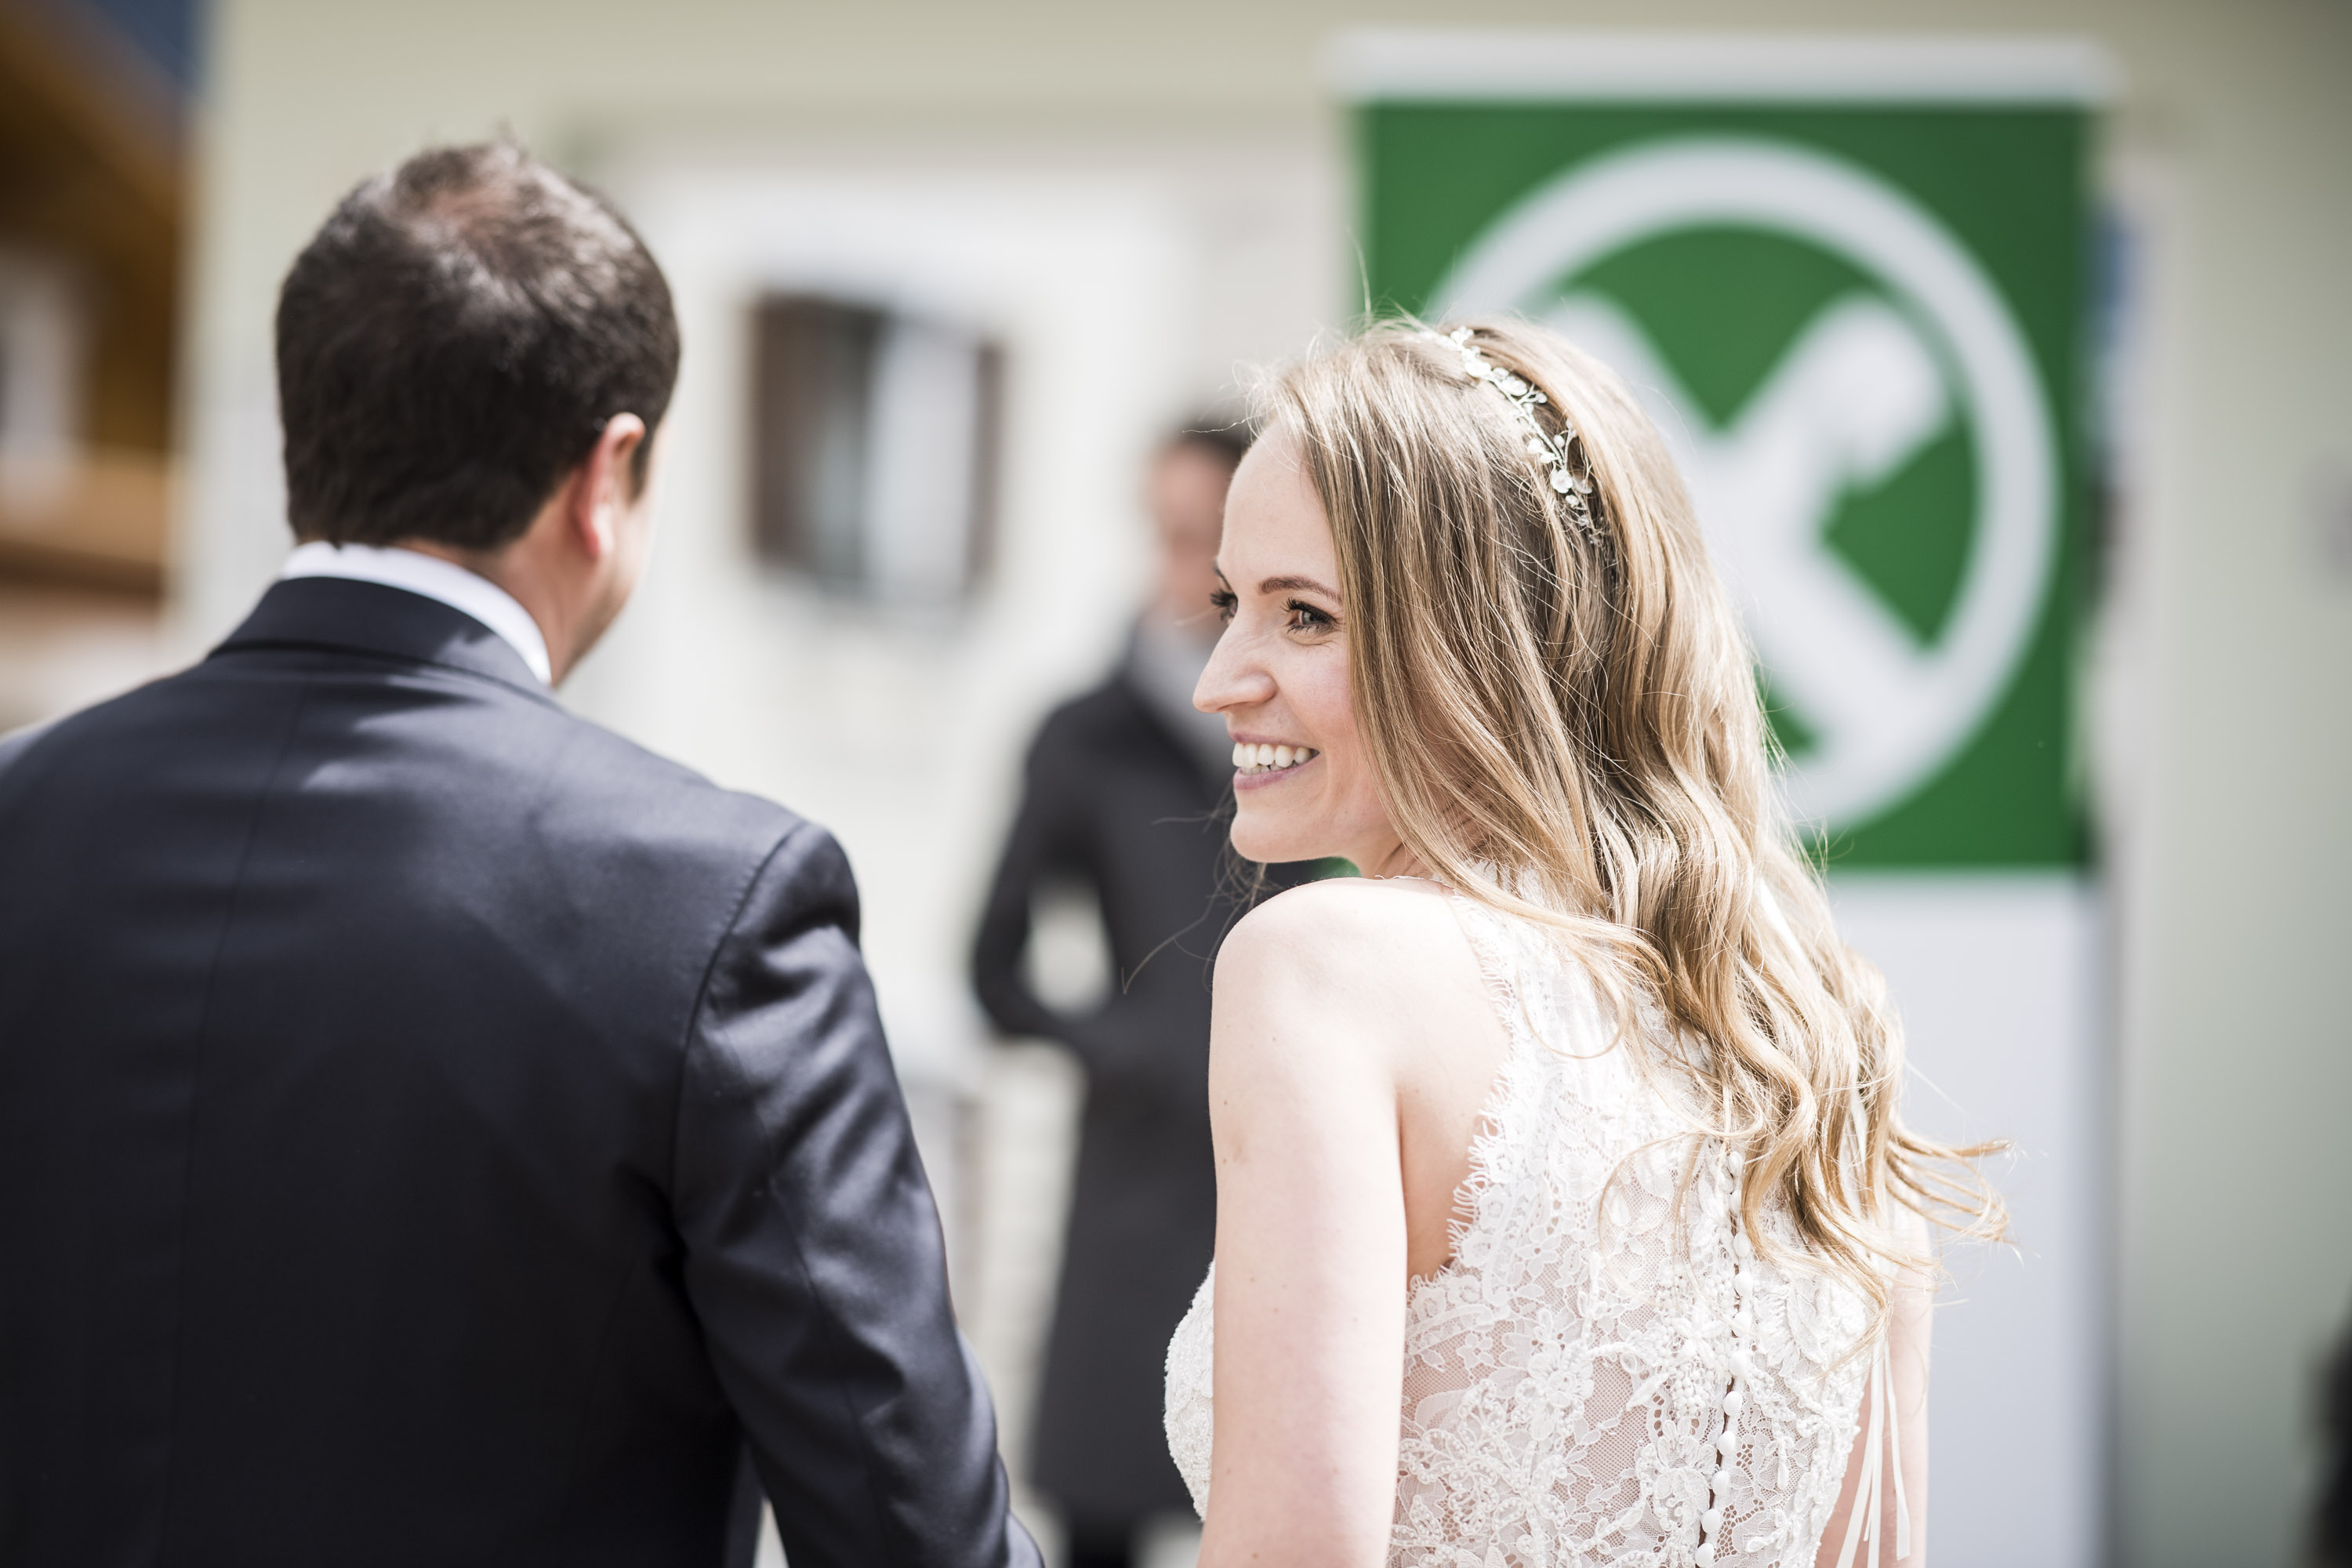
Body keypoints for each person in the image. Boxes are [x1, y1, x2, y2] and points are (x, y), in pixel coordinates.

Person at [0, 143, 1036, 1568]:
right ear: (606, 476)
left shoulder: (23, 813)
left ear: (307, 431)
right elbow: (910, 1529)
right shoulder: (711, 905)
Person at [1161, 320, 2002, 1567]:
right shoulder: (1813, 1039)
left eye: (1305, 617)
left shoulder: (1326, 969)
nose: (1218, 678)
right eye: (1232, 604)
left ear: (1485, 638)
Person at [971, 420, 1262, 1568]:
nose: (1174, 571)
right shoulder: (1084, 738)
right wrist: (1132, 1046)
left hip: (1277, 1160)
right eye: (1164, 535)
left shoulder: (1310, 731)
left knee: (1272, 1497)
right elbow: (992, 969)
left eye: (1204, 544)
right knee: (1103, 1508)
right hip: (1135, 1181)